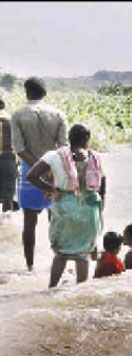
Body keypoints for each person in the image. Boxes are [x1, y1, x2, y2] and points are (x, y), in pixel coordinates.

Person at [24, 124, 106, 288]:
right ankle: (80, 293)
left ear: (68, 139)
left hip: (65, 206)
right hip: (90, 208)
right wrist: (100, 211)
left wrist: (50, 189)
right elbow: (102, 188)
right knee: (83, 255)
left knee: (61, 254)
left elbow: (31, 176)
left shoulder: (54, 156)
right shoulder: (95, 157)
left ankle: (51, 289)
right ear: (87, 139)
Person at [10, 77, 68, 271]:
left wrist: (39, 167)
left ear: (27, 93)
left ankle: (30, 266)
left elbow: (19, 149)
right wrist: (50, 168)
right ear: (44, 93)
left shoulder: (18, 115)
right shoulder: (58, 114)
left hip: (29, 171)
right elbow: (63, 147)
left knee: (29, 223)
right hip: (55, 170)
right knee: (57, 220)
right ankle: (59, 262)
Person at [0, 97, 18, 214]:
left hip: (7, 158)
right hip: (8, 160)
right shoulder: (11, 120)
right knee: (7, 198)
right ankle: (6, 224)